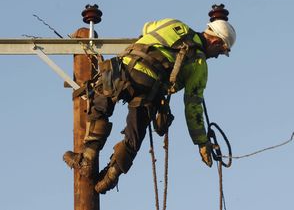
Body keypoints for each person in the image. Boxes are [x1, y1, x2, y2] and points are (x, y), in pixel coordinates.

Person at [63, 11, 236, 194]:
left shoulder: (174, 23)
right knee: (134, 135)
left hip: (125, 70)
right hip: (150, 88)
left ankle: (87, 159)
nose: (217, 56)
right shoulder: (199, 64)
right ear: (216, 41)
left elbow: (147, 28)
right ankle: (109, 179)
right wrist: (201, 142)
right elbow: (193, 106)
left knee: (101, 105)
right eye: (221, 51)